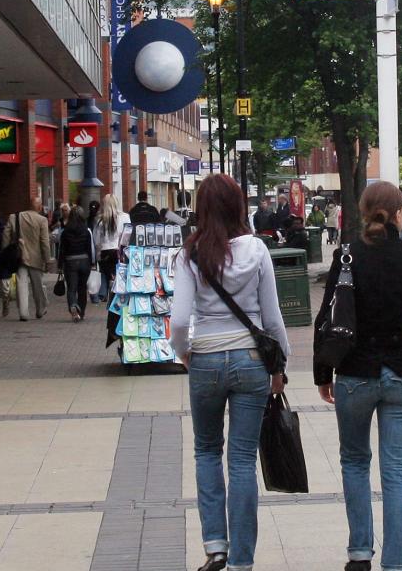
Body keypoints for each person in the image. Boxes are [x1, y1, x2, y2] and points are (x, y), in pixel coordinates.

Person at [314, 181, 402, 571]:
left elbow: (327, 320)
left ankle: (359, 552)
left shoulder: (346, 258)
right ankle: (396, 563)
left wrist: (323, 371)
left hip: (354, 374)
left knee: (355, 461)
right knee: (396, 470)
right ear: (397, 214)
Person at [169, 174, 290, 571]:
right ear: (239, 207)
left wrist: (184, 353)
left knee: (206, 450)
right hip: (251, 360)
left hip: (205, 358)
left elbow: (180, 319)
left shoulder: (190, 253)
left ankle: (215, 545)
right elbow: (272, 318)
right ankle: (242, 560)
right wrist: (280, 365)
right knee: (241, 459)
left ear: (201, 209)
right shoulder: (257, 250)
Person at [3, 197, 51, 322]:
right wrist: (47, 259)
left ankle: (23, 312)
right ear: (40, 207)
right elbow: (45, 242)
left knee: (21, 283)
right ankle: (40, 309)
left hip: (19, 257)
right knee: (37, 285)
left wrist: (6, 251)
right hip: (36, 258)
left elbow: (6, 236)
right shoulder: (42, 220)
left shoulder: (14, 217)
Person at [60, 206, 95, 322]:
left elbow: (62, 250)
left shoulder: (65, 232)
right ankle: (82, 313)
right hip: (84, 261)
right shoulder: (86, 231)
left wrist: (60, 265)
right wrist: (92, 263)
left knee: (71, 288)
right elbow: (90, 248)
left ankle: (73, 306)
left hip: (70, 262)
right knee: (82, 288)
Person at [94, 194, 130, 303]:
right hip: (119, 252)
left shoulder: (99, 220)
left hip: (105, 252)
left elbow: (96, 240)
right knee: (119, 278)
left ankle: (105, 293)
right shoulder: (124, 217)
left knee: (106, 275)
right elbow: (129, 235)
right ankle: (116, 300)